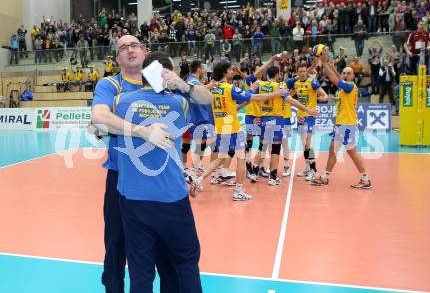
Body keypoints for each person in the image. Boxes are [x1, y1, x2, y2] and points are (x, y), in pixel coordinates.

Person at [91, 36, 212, 293]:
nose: (130, 50)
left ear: (146, 53)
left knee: (148, 262)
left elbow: (205, 97)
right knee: (117, 248)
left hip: (147, 190)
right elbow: (98, 118)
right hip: (123, 180)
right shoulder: (111, 86)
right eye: (123, 48)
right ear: (117, 58)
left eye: (134, 45)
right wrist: (141, 131)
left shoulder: (172, 88)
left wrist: (183, 84)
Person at [193, 61, 288, 199]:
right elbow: (255, 97)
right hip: (233, 129)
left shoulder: (213, 87)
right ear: (224, 72)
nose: (233, 72)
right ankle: (238, 191)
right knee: (241, 159)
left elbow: (235, 102)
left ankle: (198, 179)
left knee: (220, 159)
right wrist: (277, 94)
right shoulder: (229, 88)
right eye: (230, 70)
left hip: (221, 128)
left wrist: (249, 91)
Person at [311, 51, 372, 189]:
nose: (345, 75)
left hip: (347, 125)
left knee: (351, 152)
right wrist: (332, 67)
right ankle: (326, 177)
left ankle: (365, 178)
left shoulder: (350, 87)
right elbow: (338, 78)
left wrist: (324, 62)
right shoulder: (346, 85)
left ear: (353, 76)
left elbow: (334, 79)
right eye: (344, 73)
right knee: (333, 149)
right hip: (341, 124)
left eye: (348, 73)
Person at [290, 63, 328, 180]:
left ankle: (313, 169)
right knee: (304, 144)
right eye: (300, 71)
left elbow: (325, 95)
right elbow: (289, 97)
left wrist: (319, 99)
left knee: (308, 144)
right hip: (300, 117)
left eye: (304, 71)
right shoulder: (295, 84)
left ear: (307, 72)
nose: (302, 73)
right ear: (297, 73)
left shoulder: (312, 83)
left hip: (310, 117)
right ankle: (307, 167)